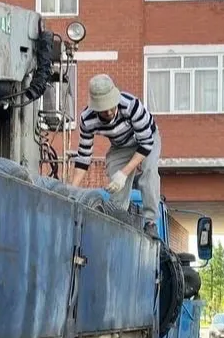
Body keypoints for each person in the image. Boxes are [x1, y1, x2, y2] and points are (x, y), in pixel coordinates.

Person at [69, 74, 162, 236]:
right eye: (104, 110)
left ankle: (151, 222)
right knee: (116, 185)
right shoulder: (87, 120)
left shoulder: (131, 105)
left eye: (112, 106)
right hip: (120, 146)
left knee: (149, 171)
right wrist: (71, 190)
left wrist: (124, 173)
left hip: (148, 139)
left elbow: (146, 144)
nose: (110, 112)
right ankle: (117, 222)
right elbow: (84, 157)